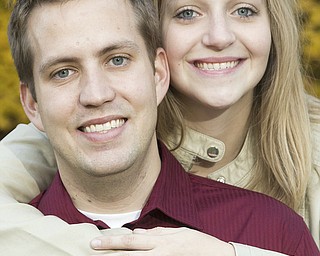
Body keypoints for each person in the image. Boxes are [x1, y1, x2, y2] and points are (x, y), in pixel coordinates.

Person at [0, 1, 319, 256]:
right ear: (32, 105)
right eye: (188, 12)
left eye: (117, 60)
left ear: (157, 72)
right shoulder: (32, 158)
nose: (219, 37)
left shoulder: (276, 224)